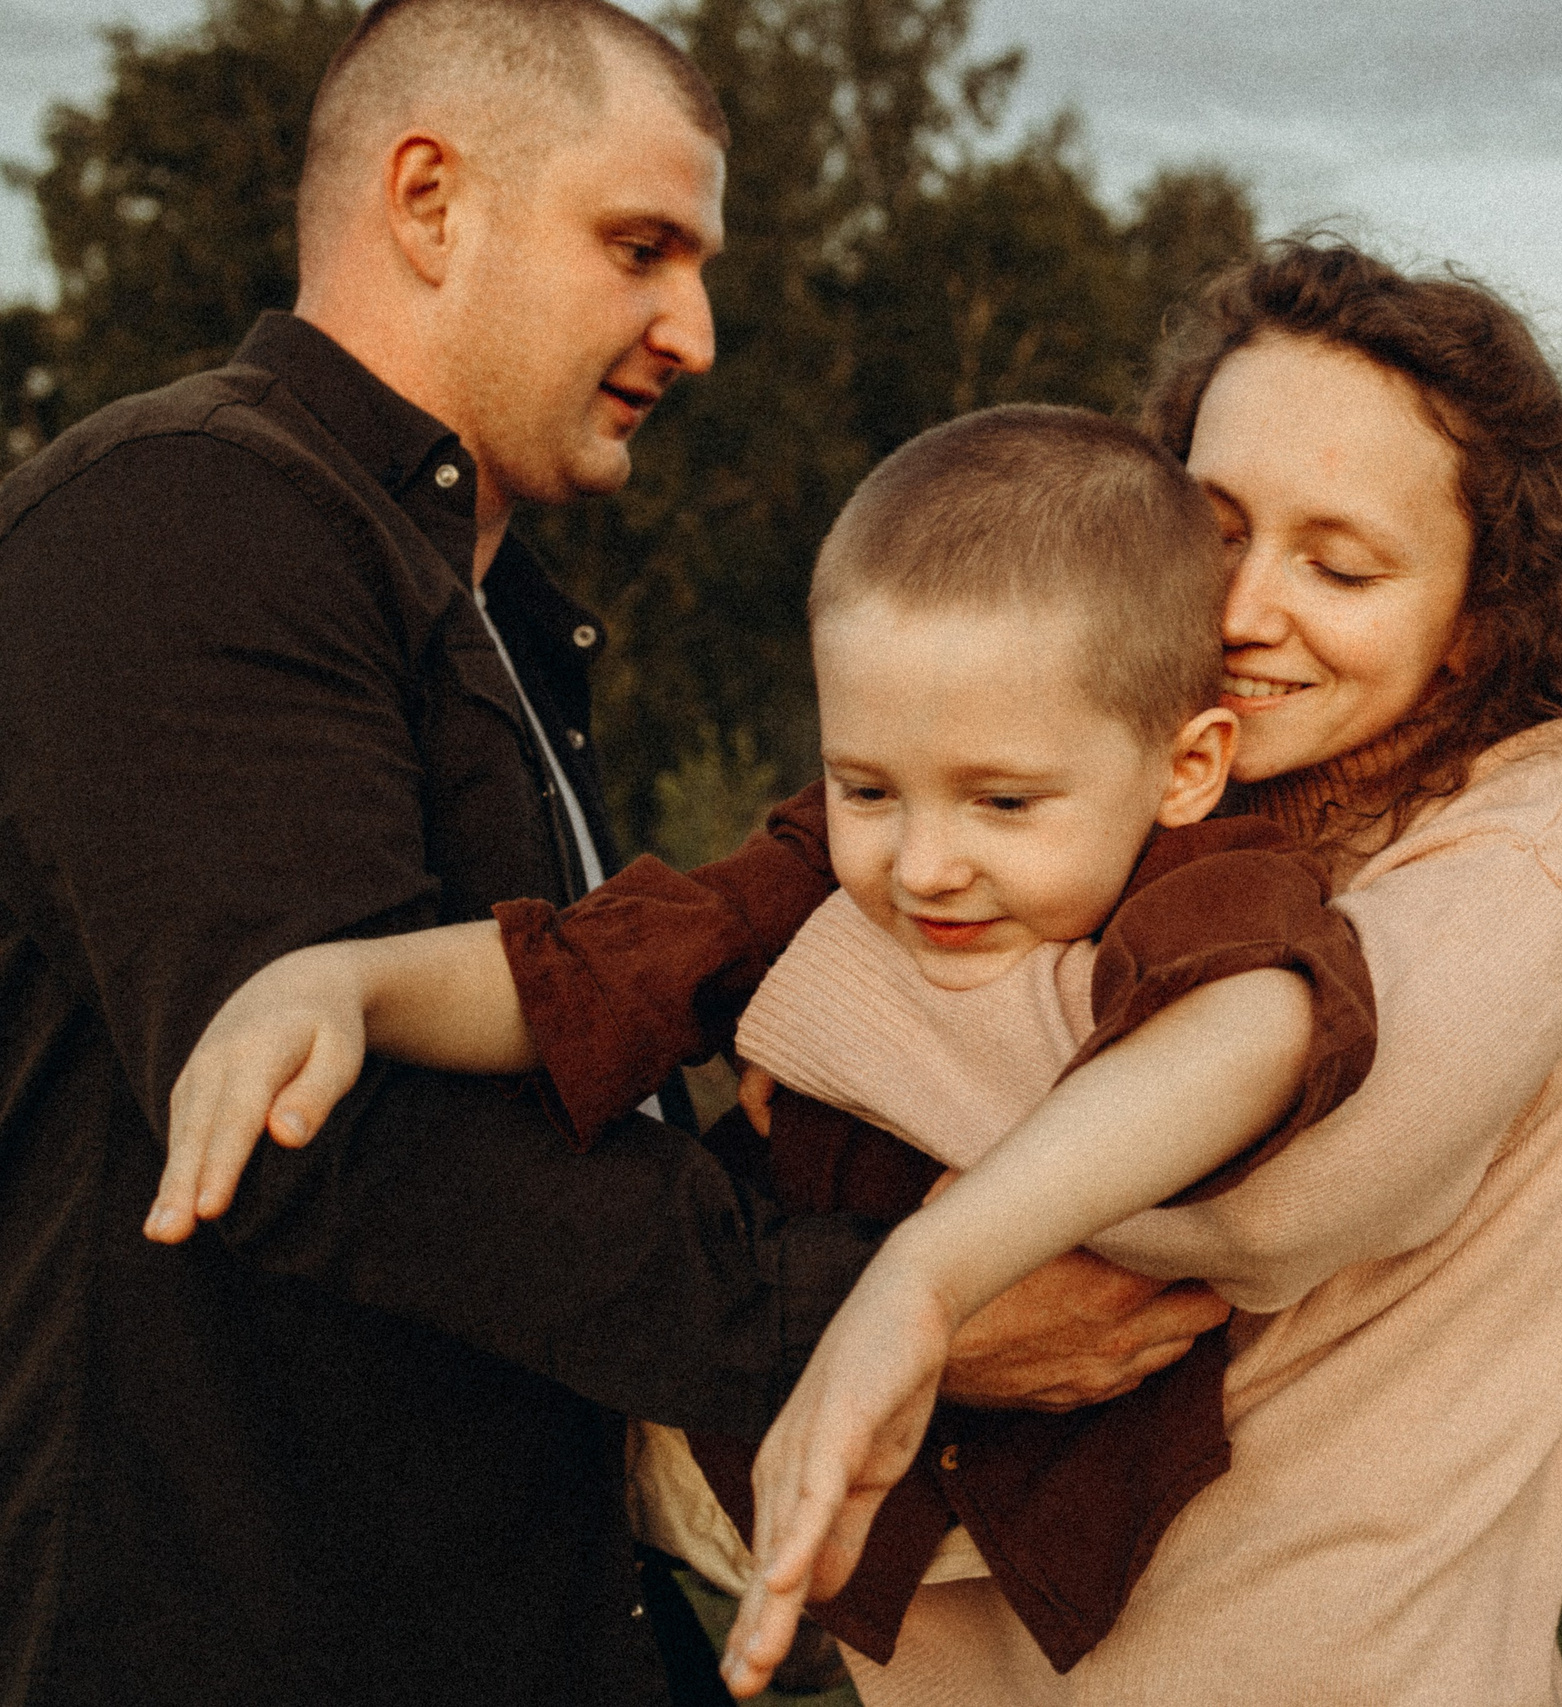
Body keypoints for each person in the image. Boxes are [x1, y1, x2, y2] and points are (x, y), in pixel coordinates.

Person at [168, 238, 1562, 1702]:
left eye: (1343, 568)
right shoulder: (1102, 763)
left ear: (1484, 610)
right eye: (1212, 533)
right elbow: (641, 949)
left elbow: (1285, 1163)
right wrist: (356, 984)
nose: (1249, 609)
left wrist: (828, 999)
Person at [0, 4, 1213, 1701]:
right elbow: (322, 1133)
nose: (696, 331)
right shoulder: (180, 522)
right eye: (642, 246)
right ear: (429, 200)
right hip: (223, 1626)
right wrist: (893, 1309)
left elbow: (577, 1067)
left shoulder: (481, 605)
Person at [163, 402, 1382, 1674]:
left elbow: (1261, 1030)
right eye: (866, 787)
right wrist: (350, 983)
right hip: (748, 1470)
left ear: (1186, 768)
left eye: (1004, 803)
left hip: (1092, 1544)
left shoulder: (1217, 883)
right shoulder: (828, 872)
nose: (922, 865)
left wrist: (928, 1278)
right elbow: (600, 967)